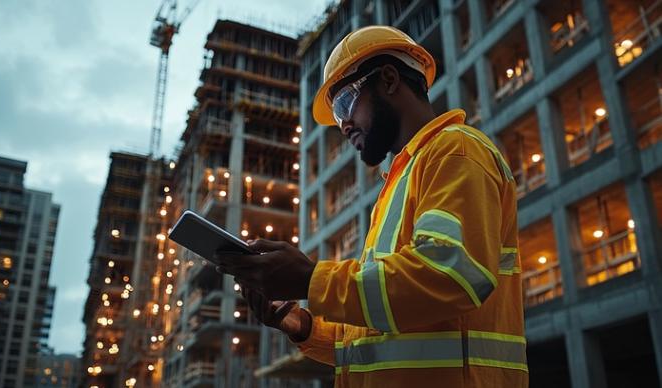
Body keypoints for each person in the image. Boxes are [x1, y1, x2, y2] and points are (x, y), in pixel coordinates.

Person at [216, 25, 528, 387]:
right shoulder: (398, 183)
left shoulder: (456, 150)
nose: (344, 124)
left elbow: (451, 274)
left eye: (345, 103)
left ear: (390, 80)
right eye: (336, 115)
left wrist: (310, 278)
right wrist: (298, 323)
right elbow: (375, 340)